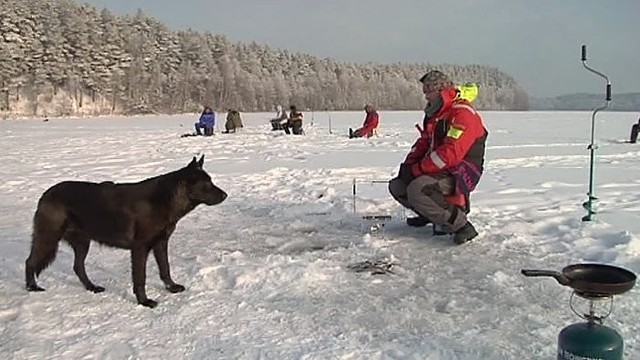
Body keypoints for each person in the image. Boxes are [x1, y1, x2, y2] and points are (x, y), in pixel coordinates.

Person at [388, 70, 488, 245]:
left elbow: (450, 154)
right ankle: (431, 214)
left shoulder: (462, 114)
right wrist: (409, 165)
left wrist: (418, 170)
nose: (425, 95)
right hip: (441, 168)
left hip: (461, 171)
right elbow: (424, 142)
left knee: (418, 189)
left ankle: (462, 226)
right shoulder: (437, 114)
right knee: (398, 185)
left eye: (429, 91)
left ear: (441, 90)